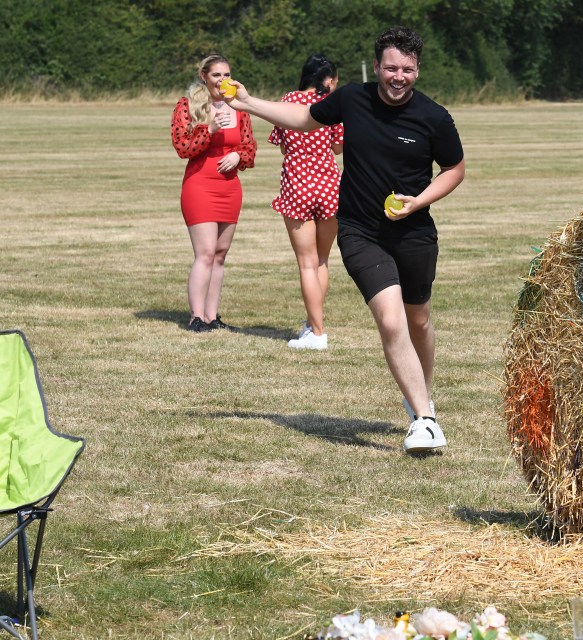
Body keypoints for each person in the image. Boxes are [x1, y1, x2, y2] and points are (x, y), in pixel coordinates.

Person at [223, 26, 465, 453]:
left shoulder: (434, 117)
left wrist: (418, 202)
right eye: (391, 67)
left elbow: (454, 169)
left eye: (407, 69)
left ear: (417, 70)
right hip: (359, 230)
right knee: (390, 320)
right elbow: (301, 117)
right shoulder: (353, 98)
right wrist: (246, 102)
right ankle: (425, 420)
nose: (398, 76)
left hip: (414, 232)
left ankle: (423, 401)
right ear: (377, 67)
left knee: (419, 320)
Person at [171, 54, 257, 332]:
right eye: (217, 75)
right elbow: (183, 147)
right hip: (199, 185)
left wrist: (237, 156)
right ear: (204, 76)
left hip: (229, 187)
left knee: (220, 254)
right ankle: (196, 317)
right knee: (205, 252)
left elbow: (250, 148)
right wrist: (209, 129)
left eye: (227, 75)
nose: (223, 81)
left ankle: (211, 316)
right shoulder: (187, 106)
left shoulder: (239, 108)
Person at [268, 54, 344, 350]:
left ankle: (317, 332)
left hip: (297, 184)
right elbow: (338, 147)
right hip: (329, 185)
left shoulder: (288, 99)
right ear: (328, 80)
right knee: (322, 260)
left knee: (306, 263)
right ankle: (314, 325)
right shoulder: (332, 105)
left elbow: (281, 142)